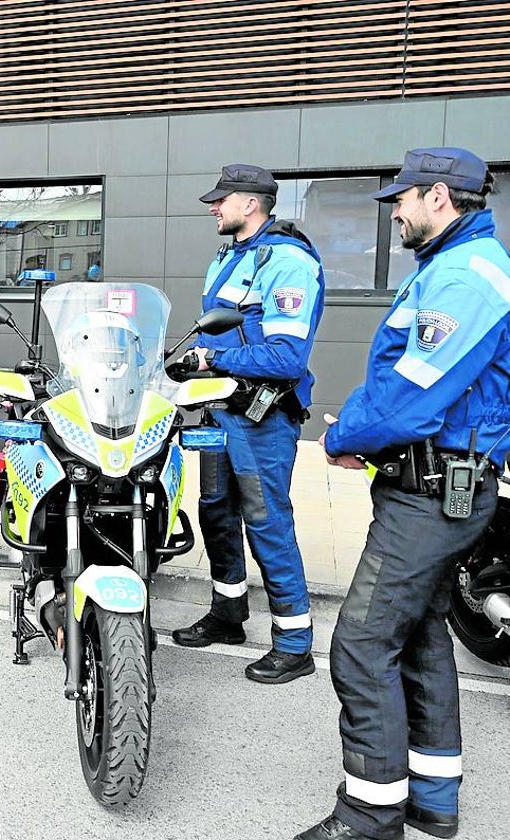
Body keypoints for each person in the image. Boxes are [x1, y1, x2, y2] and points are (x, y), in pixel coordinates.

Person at [297, 148, 510, 840]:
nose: (395, 211)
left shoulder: (467, 279)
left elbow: (412, 395)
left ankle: (369, 814)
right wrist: (365, 427)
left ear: (440, 196)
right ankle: (433, 799)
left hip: (432, 494)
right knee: (419, 636)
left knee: (360, 644)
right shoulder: (453, 269)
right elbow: (408, 385)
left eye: (403, 198)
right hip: (430, 481)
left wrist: (341, 438)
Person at [171, 163, 325, 684]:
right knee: (215, 511)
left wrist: (212, 361)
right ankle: (228, 613)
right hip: (221, 410)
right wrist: (192, 358)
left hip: (262, 417)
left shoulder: (288, 262)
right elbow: (224, 333)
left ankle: (295, 641)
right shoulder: (228, 256)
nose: (214, 208)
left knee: (267, 521)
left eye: (222, 200)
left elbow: (286, 357)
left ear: (252, 203)